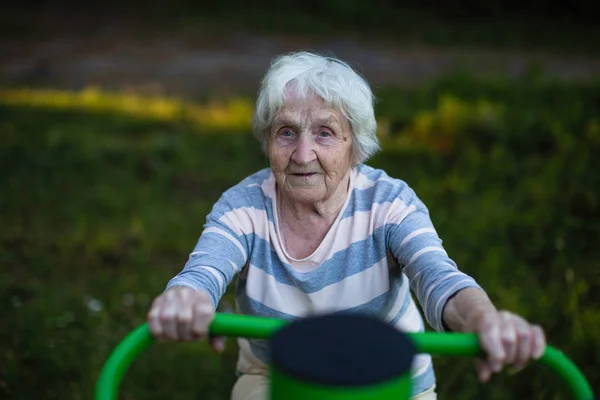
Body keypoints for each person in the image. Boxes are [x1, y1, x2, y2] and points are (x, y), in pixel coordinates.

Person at [147, 51, 546, 400]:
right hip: (276, 376)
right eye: (286, 132)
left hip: (389, 377)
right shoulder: (243, 206)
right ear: (267, 141)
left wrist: (484, 321)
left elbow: (438, 276)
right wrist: (186, 297)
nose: (303, 154)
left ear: (355, 147)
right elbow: (202, 273)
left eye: (325, 133)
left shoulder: (388, 203)